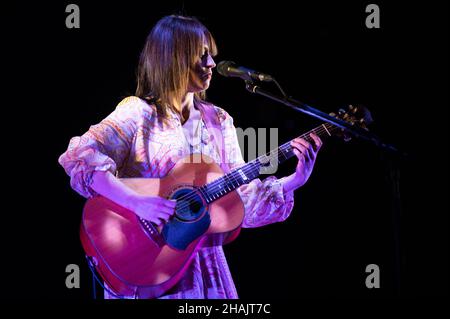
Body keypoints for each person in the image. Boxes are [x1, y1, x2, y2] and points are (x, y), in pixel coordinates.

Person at [58, 15, 322, 299]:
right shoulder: (138, 113)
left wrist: (293, 180)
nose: (211, 64)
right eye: (202, 55)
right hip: (148, 263)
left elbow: (239, 201)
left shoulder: (219, 120)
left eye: (212, 56)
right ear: (173, 57)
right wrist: (139, 203)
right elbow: (79, 158)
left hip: (204, 269)